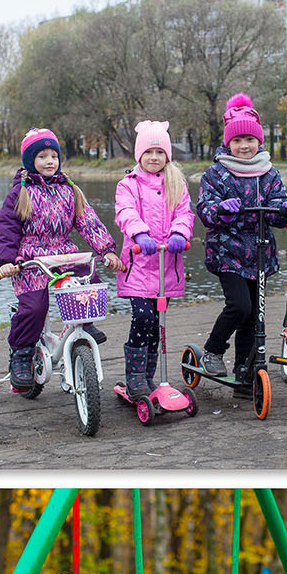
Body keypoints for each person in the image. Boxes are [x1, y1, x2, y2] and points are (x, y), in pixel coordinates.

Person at [0, 127, 120, 391]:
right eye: (42, 157)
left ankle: (85, 324)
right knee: (34, 308)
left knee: (87, 280)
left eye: (53, 156)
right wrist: (6, 261)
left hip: (63, 252)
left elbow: (87, 222)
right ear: (30, 161)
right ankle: (22, 353)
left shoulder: (69, 190)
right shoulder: (21, 193)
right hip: (31, 257)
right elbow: (7, 229)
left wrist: (106, 249)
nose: (49, 161)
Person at [193, 94, 287, 389]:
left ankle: (244, 368)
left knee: (255, 315)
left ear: (259, 141)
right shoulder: (217, 173)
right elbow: (205, 209)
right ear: (228, 143)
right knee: (240, 306)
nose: (244, 146)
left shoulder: (269, 172)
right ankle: (213, 350)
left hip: (260, 253)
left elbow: (277, 208)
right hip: (227, 251)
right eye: (237, 140)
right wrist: (221, 211)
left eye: (249, 140)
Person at [113, 120, 195, 402]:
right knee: (143, 317)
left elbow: (185, 213)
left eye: (160, 152)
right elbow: (125, 212)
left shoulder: (176, 183)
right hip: (138, 266)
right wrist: (140, 234)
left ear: (167, 155)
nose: (154, 157)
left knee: (157, 323)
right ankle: (135, 376)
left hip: (166, 266)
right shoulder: (129, 184)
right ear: (139, 155)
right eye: (148, 152)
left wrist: (179, 233)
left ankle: (149, 376)